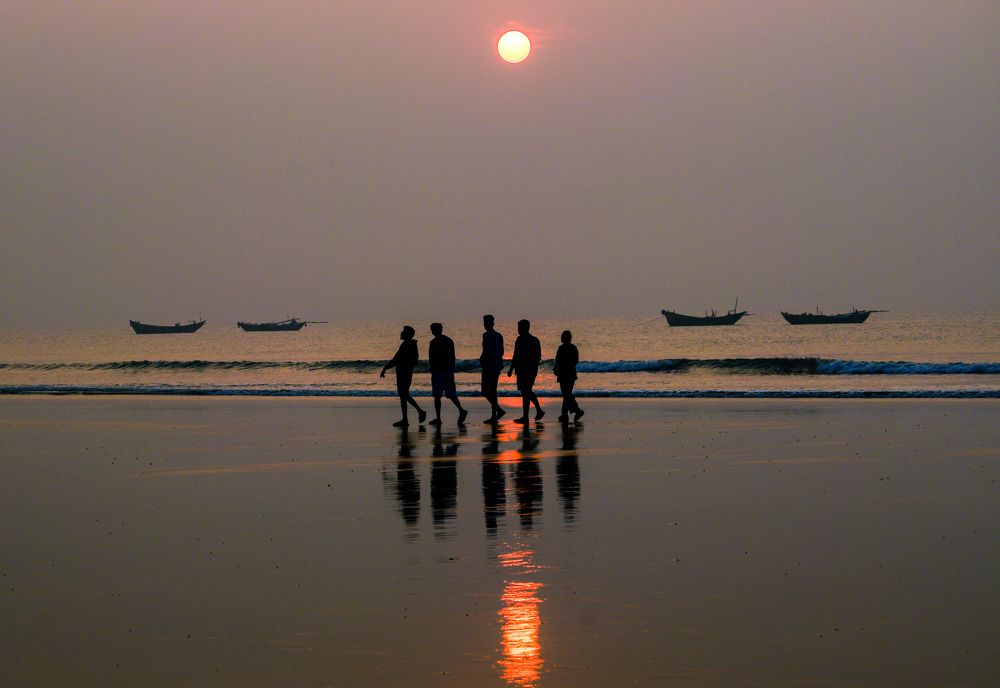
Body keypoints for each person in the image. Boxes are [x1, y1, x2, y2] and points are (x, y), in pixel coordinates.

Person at [380, 325, 427, 427]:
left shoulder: (408, 345)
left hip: (404, 373)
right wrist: (386, 368)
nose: (401, 333)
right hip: (403, 373)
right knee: (403, 396)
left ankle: (420, 411)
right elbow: (398, 359)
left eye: (403, 332)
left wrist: (385, 368)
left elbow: (397, 359)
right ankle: (405, 419)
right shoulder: (407, 344)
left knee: (404, 395)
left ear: (407, 334)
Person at [428, 323, 468, 426]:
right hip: (447, 371)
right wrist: (451, 369)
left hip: (439, 371)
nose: (433, 331)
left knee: (438, 396)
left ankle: (439, 418)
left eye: (433, 329)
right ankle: (460, 410)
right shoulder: (448, 340)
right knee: (450, 394)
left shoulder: (434, 342)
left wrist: (433, 370)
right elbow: (452, 356)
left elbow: (432, 359)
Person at [506, 319, 544, 424]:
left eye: (519, 328)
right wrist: (534, 367)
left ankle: (528, 415)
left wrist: (510, 369)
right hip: (531, 370)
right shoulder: (535, 340)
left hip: (523, 370)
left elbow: (516, 355)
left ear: (524, 328)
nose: (518, 330)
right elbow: (538, 357)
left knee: (526, 392)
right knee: (527, 391)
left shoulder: (520, 340)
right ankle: (536, 412)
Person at [553, 329, 584, 422]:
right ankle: (565, 414)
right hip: (570, 373)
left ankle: (576, 410)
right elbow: (576, 360)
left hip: (564, 373)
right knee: (567, 394)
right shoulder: (573, 348)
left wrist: (556, 368)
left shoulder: (562, 348)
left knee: (566, 394)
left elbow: (558, 360)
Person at [480, 314, 505, 423]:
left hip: (489, 366)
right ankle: (497, 411)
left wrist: (482, 360)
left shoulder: (486, 335)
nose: (485, 325)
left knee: (486, 391)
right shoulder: (499, 335)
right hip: (497, 365)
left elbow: (486, 351)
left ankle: (495, 414)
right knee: (492, 390)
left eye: (486, 322)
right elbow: (501, 351)